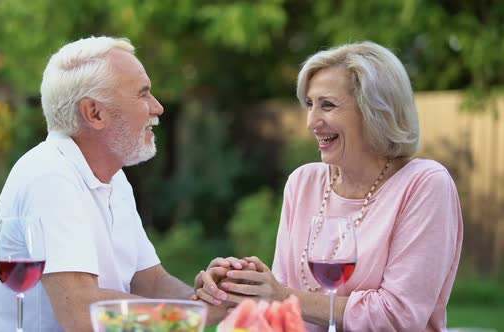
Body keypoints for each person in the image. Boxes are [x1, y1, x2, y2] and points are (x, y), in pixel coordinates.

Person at [194, 41, 464, 331]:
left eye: (328, 105)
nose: (311, 122)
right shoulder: (303, 183)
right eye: (310, 104)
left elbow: (397, 317)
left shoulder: (424, 184)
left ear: (376, 111)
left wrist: (282, 296)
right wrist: (240, 287)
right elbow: (281, 305)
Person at [0, 36, 235, 331]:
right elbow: (81, 313)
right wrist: (193, 317)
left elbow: (151, 282)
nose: (158, 108)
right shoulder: (50, 176)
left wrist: (213, 299)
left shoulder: (114, 178)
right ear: (94, 113)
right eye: (143, 94)